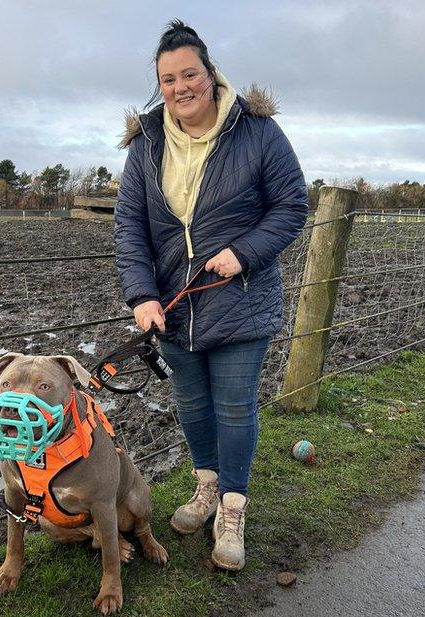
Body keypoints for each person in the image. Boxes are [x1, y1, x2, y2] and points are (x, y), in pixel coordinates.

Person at [113, 19, 308, 571]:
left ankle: (232, 508)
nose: (181, 87)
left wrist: (245, 251)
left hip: (239, 298)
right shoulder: (146, 144)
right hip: (173, 307)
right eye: (168, 79)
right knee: (192, 405)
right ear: (160, 85)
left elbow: (292, 206)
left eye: (190, 74)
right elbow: (130, 226)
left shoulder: (258, 133)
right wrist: (141, 296)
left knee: (234, 406)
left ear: (210, 72)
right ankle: (205, 486)